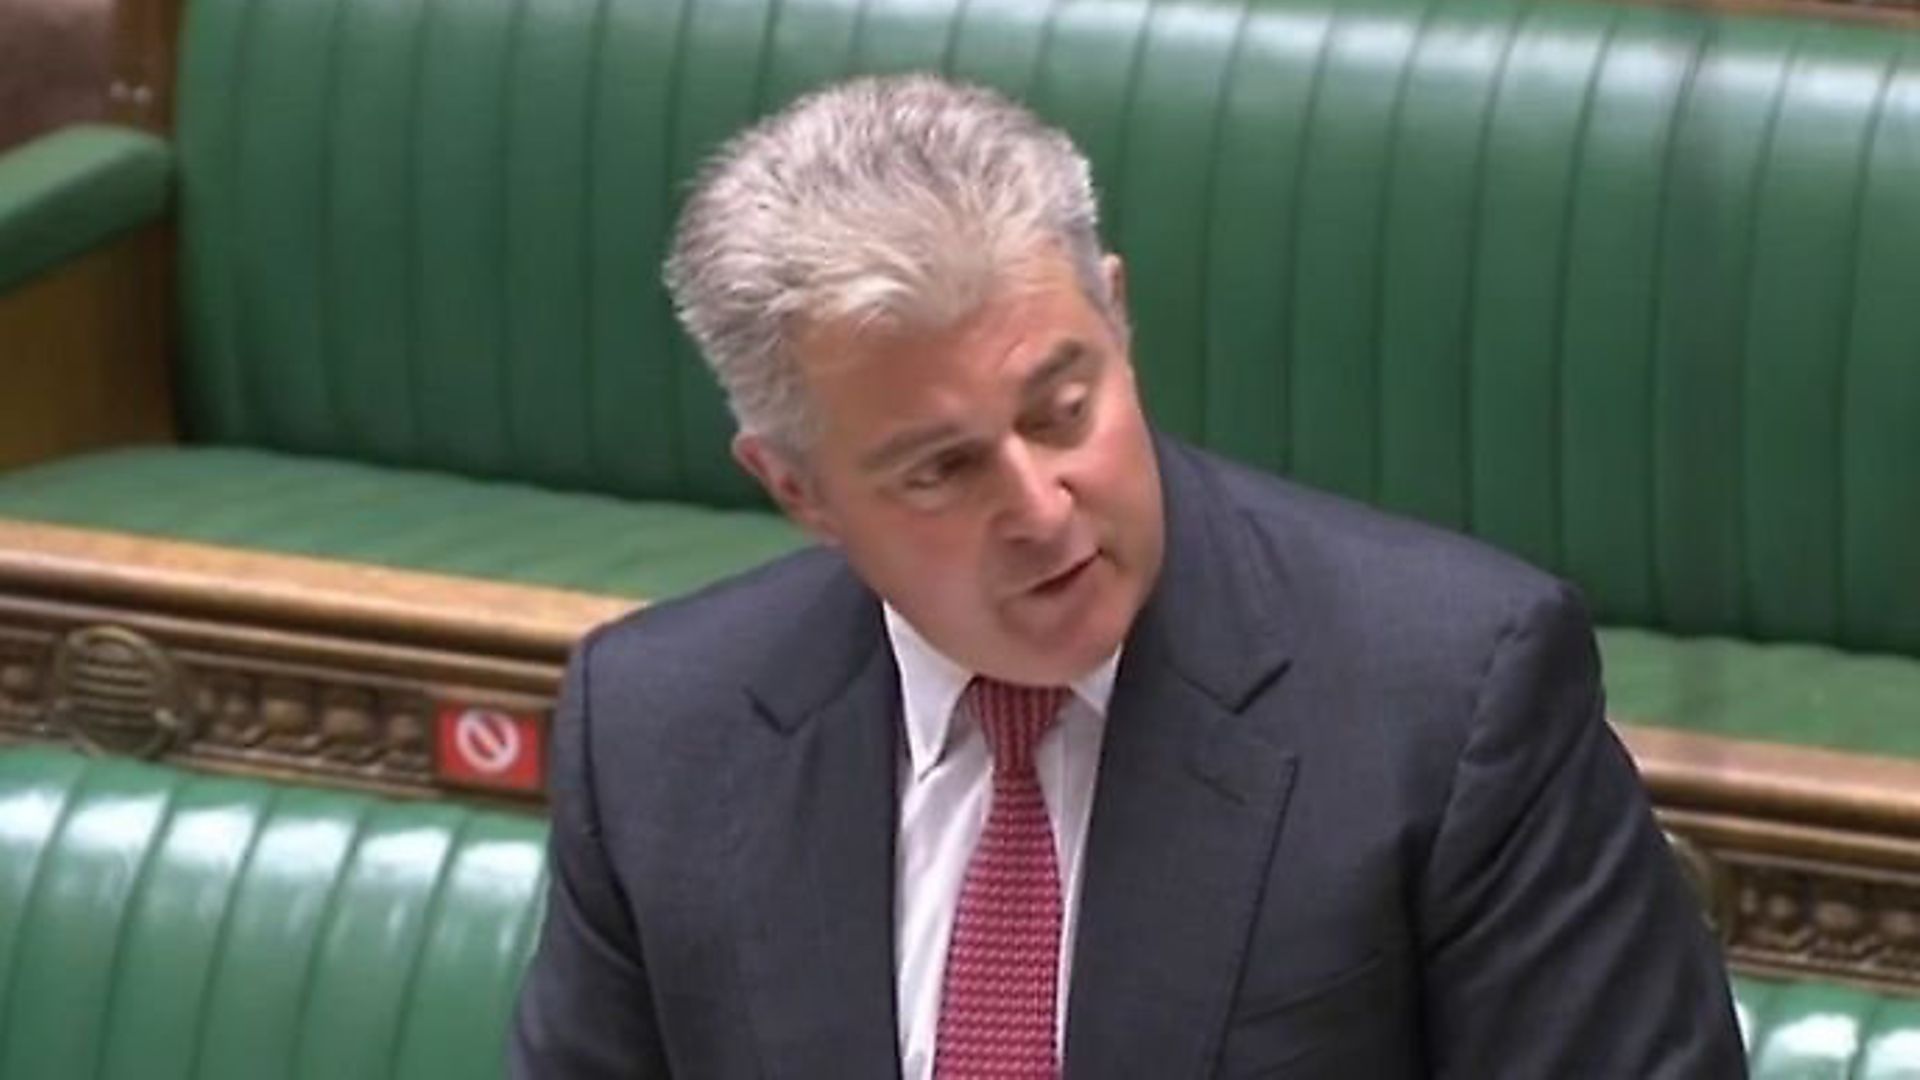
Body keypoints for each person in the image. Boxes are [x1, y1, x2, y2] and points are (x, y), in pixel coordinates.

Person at [510, 74, 1744, 1078]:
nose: (1040, 510)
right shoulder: (663, 728)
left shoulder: (1454, 696)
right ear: (798, 489)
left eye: (1062, 408)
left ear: (1116, 315)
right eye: (942, 470)